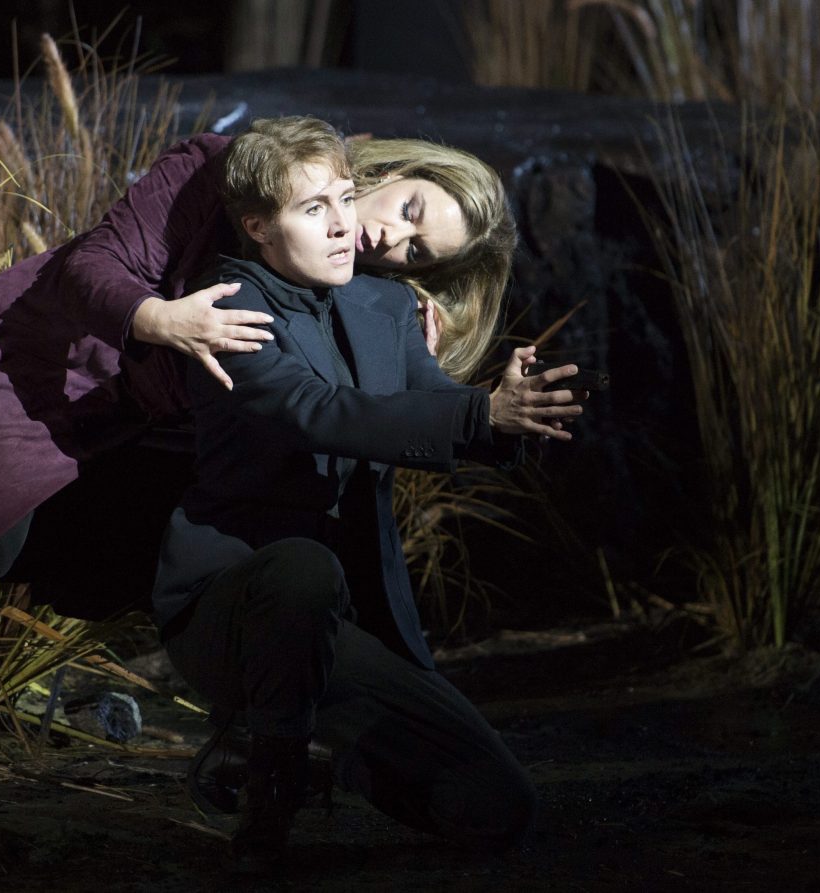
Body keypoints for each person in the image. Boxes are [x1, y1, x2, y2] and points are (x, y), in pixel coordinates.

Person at [0, 120, 554, 817]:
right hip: (52, 364)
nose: (391, 238)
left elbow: (360, 396)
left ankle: (251, 738)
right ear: (392, 172)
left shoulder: (363, 285)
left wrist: (453, 385)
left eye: (417, 252)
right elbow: (91, 267)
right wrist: (162, 319)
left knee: (220, 541)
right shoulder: (217, 170)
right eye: (409, 210)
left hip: (166, 415)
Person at [154, 116, 580, 872]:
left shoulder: (382, 306)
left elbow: (434, 400)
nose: (348, 226)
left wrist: (507, 413)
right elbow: (317, 412)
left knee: (498, 807)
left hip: (344, 624)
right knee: (302, 569)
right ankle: (269, 800)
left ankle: (311, 753)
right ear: (258, 225)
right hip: (238, 608)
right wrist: (476, 415)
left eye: (344, 202)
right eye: (316, 208)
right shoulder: (229, 304)